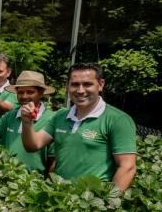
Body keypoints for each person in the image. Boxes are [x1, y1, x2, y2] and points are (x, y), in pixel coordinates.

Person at [21, 63, 137, 191]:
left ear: (101, 84)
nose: (80, 90)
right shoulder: (60, 116)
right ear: (68, 86)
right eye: (75, 84)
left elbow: (127, 167)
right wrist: (27, 123)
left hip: (91, 202)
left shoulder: (117, 119)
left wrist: (108, 204)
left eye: (87, 84)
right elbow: (33, 145)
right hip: (59, 197)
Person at [0, 71, 56, 173]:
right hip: (7, 176)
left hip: (33, 182)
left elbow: (53, 161)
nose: (24, 96)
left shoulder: (52, 119)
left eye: (30, 92)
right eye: (20, 92)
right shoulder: (10, 115)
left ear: (41, 93)